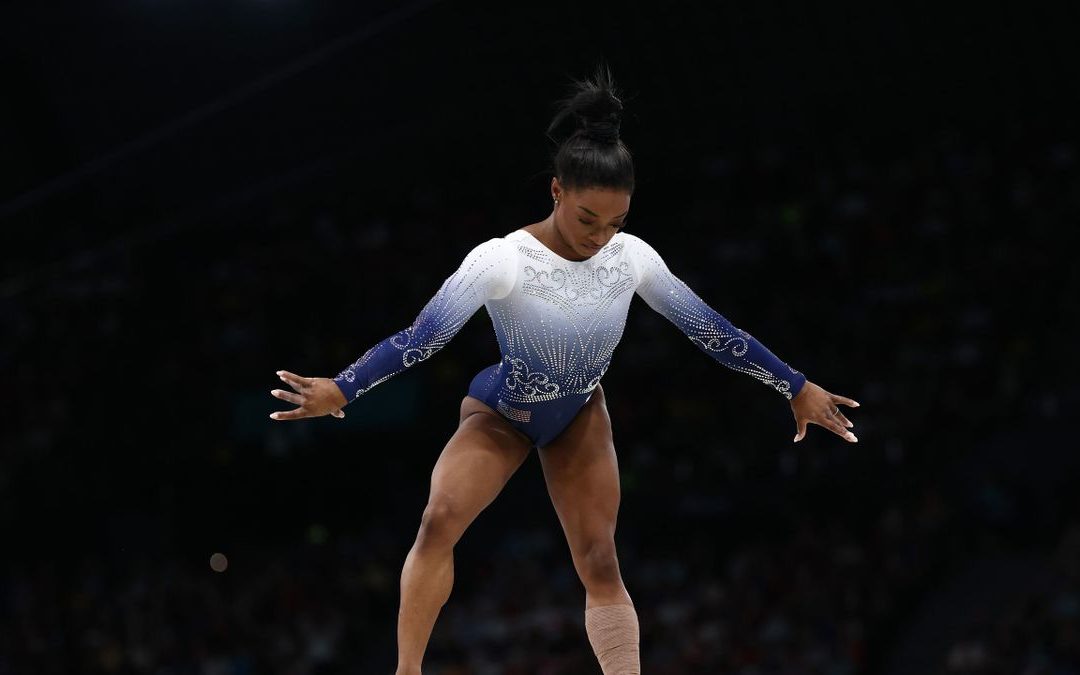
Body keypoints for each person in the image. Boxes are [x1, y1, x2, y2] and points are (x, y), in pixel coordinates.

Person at [269, 67, 859, 675]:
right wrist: (343, 387)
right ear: (556, 192)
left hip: (579, 413)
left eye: (616, 224)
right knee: (439, 519)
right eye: (586, 219)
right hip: (503, 414)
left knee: (600, 560)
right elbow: (421, 339)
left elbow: (713, 331)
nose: (601, 238)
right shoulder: (501, 260)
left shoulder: (633, 260)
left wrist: (795, 385)